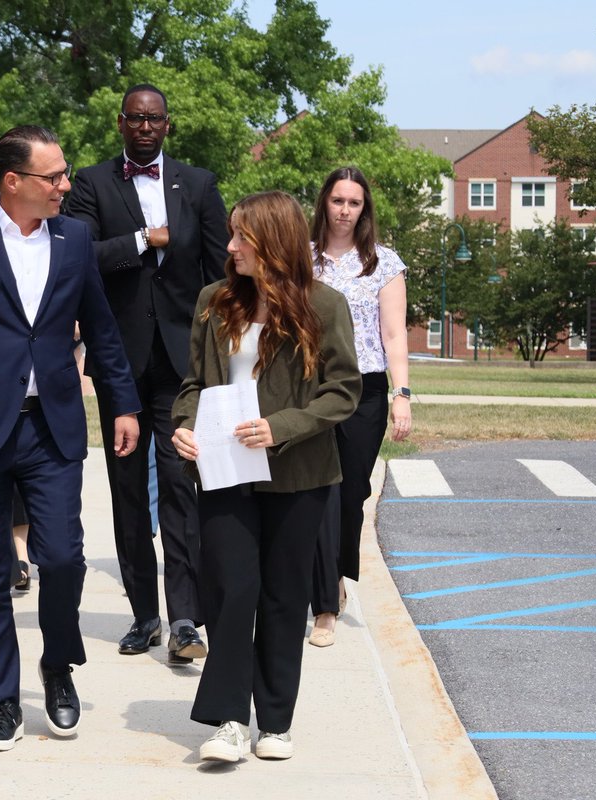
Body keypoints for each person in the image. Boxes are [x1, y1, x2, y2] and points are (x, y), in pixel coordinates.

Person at [0, 126, 140, 752]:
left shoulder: (75, 239)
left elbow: (101, 327)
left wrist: (122, 404)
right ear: (14, 182)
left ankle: (58, 667)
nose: (67, 185)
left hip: (53, 424)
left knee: (63, 555)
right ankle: (2, 701)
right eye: (55, 176)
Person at [171, 191, 360, 763]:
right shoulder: (213, 301)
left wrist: (282, 426)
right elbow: (192, 386)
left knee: (283, 597)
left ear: (271, 241)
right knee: (233, 592)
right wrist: (184, 427)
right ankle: (229, 720)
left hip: (298, 475)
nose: (229, 248)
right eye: (230, 236)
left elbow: (344, 391)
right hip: (225, 470)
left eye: (240, 237)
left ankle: (274, 723)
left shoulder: (324, 306)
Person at [65, 83, 228, 664]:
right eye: (135, 118)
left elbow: (219, 275)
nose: (144, 126)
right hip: (119, 363)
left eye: (154, 119)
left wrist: (219, 355)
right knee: (128, 488)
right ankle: (143, 614)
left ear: (167, 125)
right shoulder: (91, 183)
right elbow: (82, 256)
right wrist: (141, 239)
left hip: (183, 365)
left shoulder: (200, 185)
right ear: (120, 122)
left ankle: (185, 617)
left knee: (183, 487)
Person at [306, 166, 412, 648]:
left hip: (365, 389)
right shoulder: (302, 259)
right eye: (337, 201)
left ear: (364, 208)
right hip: (312, 387)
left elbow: (393, 334)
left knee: (351, 495)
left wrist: (401, 395)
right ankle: (324, 603)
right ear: (324, 203)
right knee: (320, 493)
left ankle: (338, 577)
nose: (345, 210)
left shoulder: (383, 263)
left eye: (354, 202)